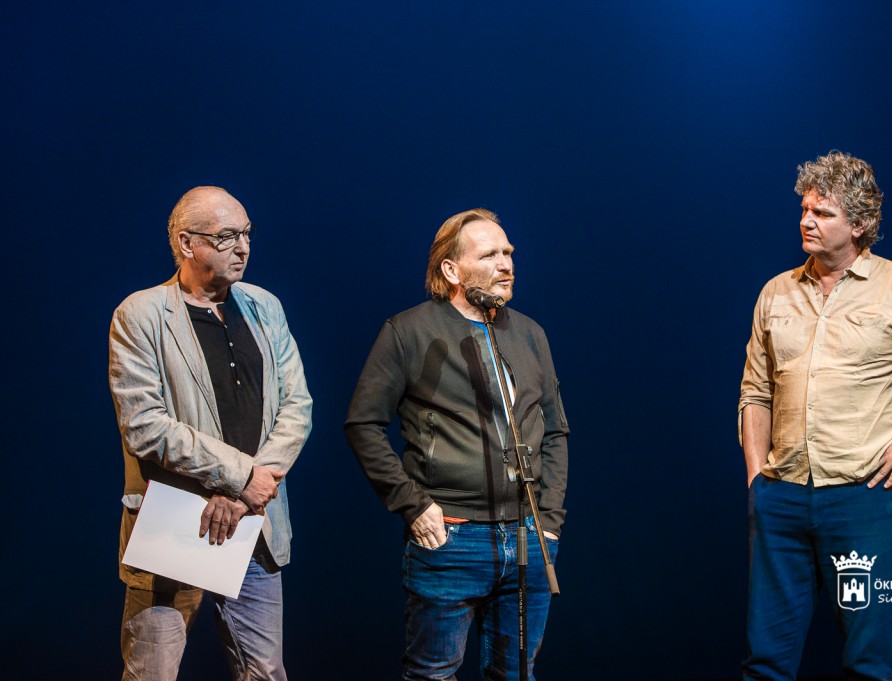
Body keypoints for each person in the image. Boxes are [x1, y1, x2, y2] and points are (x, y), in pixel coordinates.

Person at [738, 152, 892, 680]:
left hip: (863, 498)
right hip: (781, 496)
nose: (807, 221)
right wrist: (757, 479)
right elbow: (755, 392)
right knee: (766, 662)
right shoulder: (776, 291)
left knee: (868, 661)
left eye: (822, 213)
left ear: (858, 223)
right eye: (804, 210)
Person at [345, 208, 569, 680]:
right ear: (451, 269)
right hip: (452, 538)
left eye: (508, 253)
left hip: (527, 538)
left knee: (517, 673)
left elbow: (554, 430)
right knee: (433, 674)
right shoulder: (408, 331)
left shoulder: (531, 333)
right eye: (489, 255)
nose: (506, 264)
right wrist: (412, 505)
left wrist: (548, 520)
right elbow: (363, 424)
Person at [109, 186, 312, 680]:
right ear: (186, 243)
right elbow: (145, 426)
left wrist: (247, 493)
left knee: (265, 672)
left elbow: (297, 406)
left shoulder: (264, 306)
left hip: (252, 522)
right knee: (152, 672)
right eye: (226, 237)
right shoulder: (141, 313)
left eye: (247, 234)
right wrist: (240, 477)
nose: (243, 247)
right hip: (175, 523)